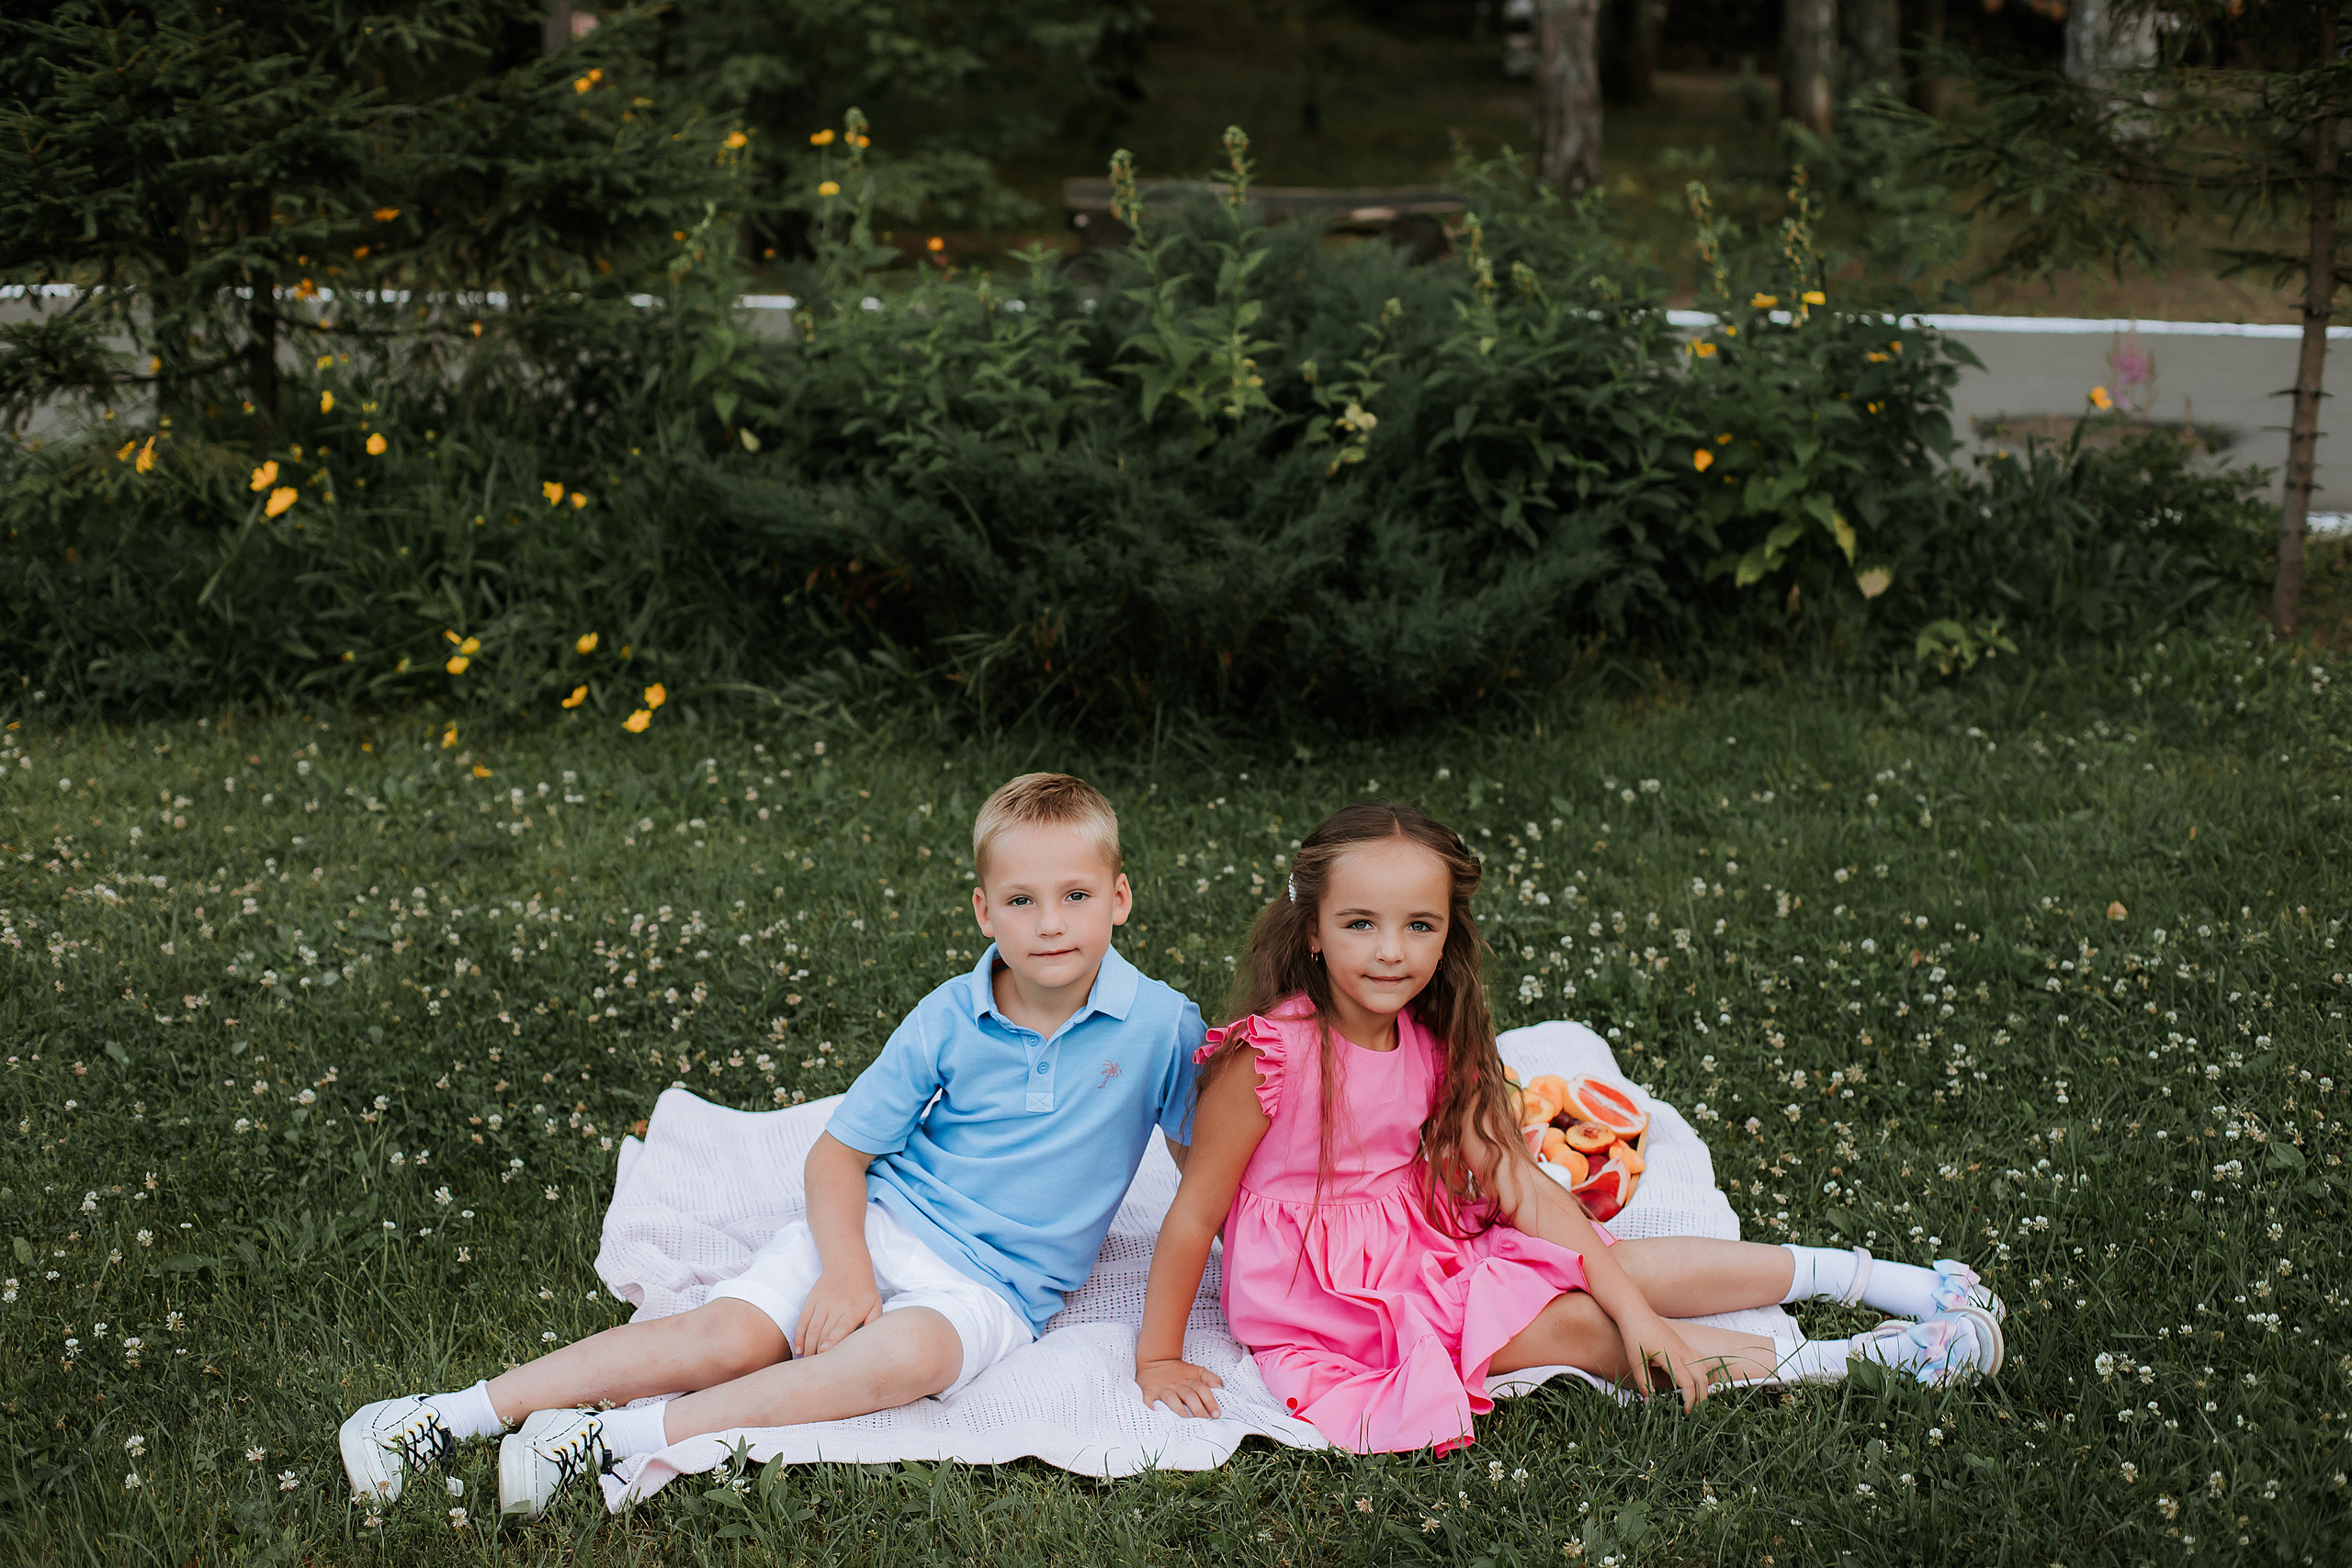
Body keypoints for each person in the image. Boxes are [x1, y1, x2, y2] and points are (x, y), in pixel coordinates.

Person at [339, 773, 1204, 1515]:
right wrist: (848, 1267)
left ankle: (611, 1437)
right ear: (984, 910)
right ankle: (454, 1414)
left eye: (1076, 896)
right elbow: (838, 1155)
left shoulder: (1164, 1025)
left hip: (998, 1285)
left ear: (1120, 896)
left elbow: (1206, 1171)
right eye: (1022, 900)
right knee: (727, 1337)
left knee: (905, 1356)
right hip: (886, 1223)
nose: (1050, 923)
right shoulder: (951, 1013)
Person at [1132, 800, 2003, 1456]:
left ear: (1447, 936)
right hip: (1327, 1299)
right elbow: (1195, 1213)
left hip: (1423, 1242)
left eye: (1418, 926)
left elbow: (1522, 1188)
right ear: (1313, 930)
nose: (1390, 950)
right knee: (1585, 1327)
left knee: (1611, 1269)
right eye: (1360, 923)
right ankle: (1864, 1362)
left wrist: (1634, 1301)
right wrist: (1159, 1357)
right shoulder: (1271, 1057)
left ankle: (1886, 1280)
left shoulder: (1433, 1044)